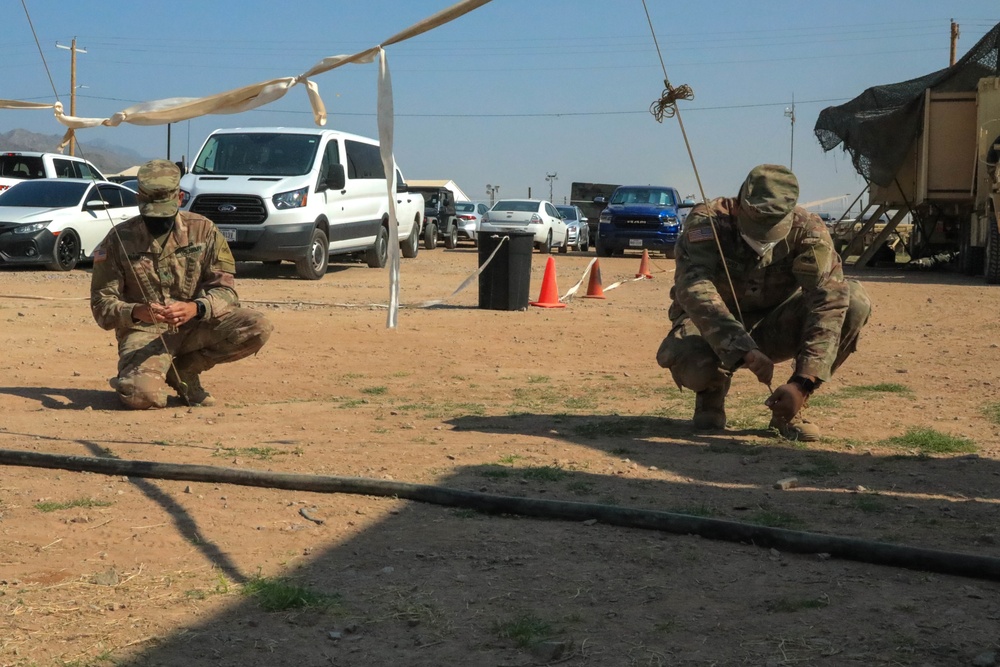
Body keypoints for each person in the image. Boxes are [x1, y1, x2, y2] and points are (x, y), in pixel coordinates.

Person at [655, 164, 871, 440]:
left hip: (776, 324)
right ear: (740, 205)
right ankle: (711, 393)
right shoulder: (708, 222)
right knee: (695, 365)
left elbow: (829, 303)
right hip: (714, 328)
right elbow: (694, 289)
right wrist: (743, 348)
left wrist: (803, 383)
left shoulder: (809, 231)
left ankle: (790, 406)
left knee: (854, 301)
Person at [91, 159, 272, 409]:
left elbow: (227, 291)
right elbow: (101, 305)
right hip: (145, 333)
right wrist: (135, 311)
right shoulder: (118, 240)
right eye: (151, 213)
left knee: (257, 326)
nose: (158, 220)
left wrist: (196, 308)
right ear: (139, 200)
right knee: (140, 397)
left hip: (196, 325)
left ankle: (184, 371)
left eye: (164, 212)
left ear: (179, 198)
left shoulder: (204, 231)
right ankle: (135, 378)